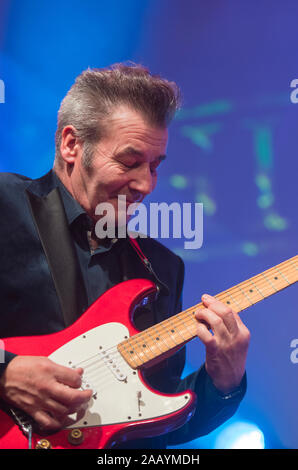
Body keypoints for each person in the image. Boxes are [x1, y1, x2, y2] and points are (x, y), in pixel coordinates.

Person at [0, 63, 250, 449]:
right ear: (71, 145)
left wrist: (224, 383)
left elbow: (156, 425)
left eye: (154, 166)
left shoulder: (163, 267)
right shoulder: (6, 205)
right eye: (130, 162)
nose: (146, 184)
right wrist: (6, 371)